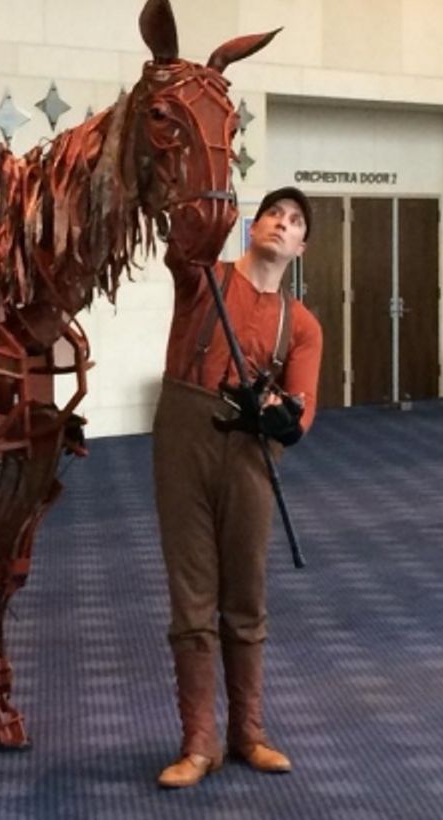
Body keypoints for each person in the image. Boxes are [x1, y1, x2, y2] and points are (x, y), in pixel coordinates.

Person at [153, 186, 323, 788]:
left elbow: (301, 411)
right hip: (184, 438)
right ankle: (198, 742)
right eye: (274, 213)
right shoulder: (205, 280)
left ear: (302, 245)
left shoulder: (299, 324)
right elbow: (180, 248)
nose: (282, 223)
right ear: (255, 226)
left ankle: (246, 732)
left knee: (245, 592)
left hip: (252, 453)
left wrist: (283, 418)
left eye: (295, 220)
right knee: (192, 591)